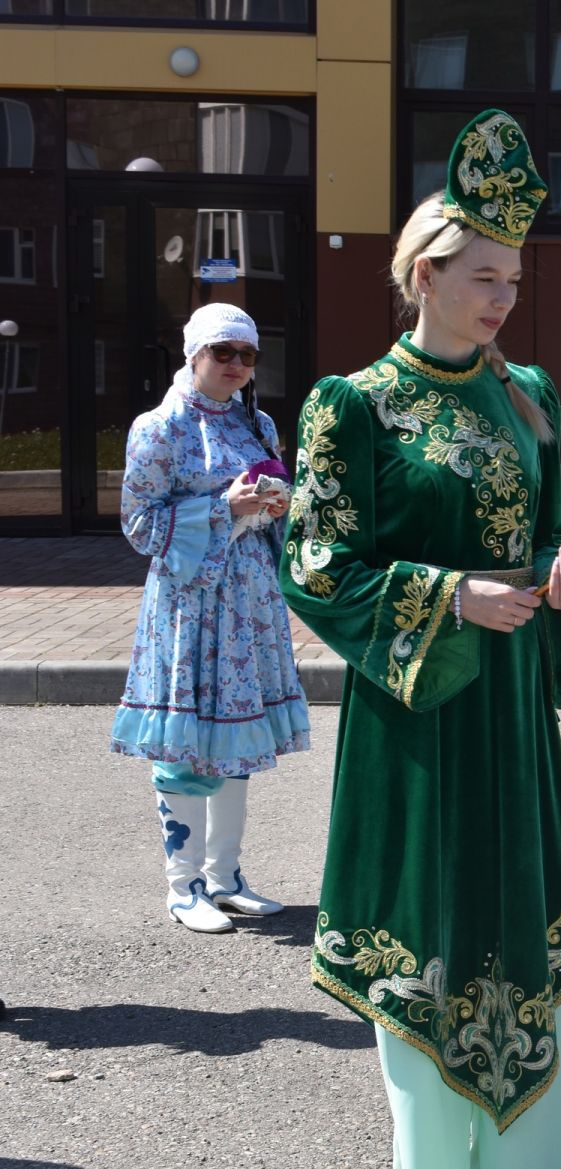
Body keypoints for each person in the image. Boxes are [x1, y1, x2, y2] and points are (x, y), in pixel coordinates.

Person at [279, 109, 561, 1169]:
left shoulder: (532, 394)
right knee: (431, 926)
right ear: (424, 273)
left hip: (512, 710)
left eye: (515, 279)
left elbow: (543, 547)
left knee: (516, 924)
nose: (504, 298)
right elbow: (318, 564)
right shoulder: (351, 405)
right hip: (420, 714)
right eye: (483, 276)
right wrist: (443, 596)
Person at [111, 302, 310, 934]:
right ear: (193, 354)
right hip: (189, 606)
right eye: (223, 352)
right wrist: (223, 508)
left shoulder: (259, 422)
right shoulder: (159, 428)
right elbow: (139, 526)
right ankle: (183, 884)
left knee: (234, 741)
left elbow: (276, 507)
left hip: (248, 605)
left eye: (247, 355)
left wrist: (275, 507)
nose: (236, 366)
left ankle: (225, 878)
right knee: (187, 745)